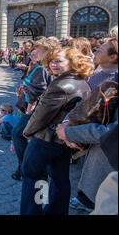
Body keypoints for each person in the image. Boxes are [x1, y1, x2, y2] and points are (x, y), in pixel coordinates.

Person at [20, 47, 93, 215]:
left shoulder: (61, 85)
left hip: (46, 140)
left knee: (32, 176)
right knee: (60, 179)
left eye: (59, 61)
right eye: (52, 60)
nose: (53, 64)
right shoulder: (82, 81)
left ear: (73, 62)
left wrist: (27, 131)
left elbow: (40, 116)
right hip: (63, 141)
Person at [57, 72, 118, 213]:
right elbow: (90, 104)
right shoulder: (114, 79)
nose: (96, 53)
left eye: (100, 50)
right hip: (97, 158)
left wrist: (69, 133)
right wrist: (68, 123)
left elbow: (112, 133)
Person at [11, 39, 55, 181]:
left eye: (38, 50)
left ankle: (24, 166)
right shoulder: (37, 66)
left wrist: (29, 112)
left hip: (34, 110)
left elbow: (37, 93)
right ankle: (24, 166)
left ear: (47, 52)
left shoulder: (42, 68)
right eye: (33, 50)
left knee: (18, 134)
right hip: (29, 105)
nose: (33, 52)